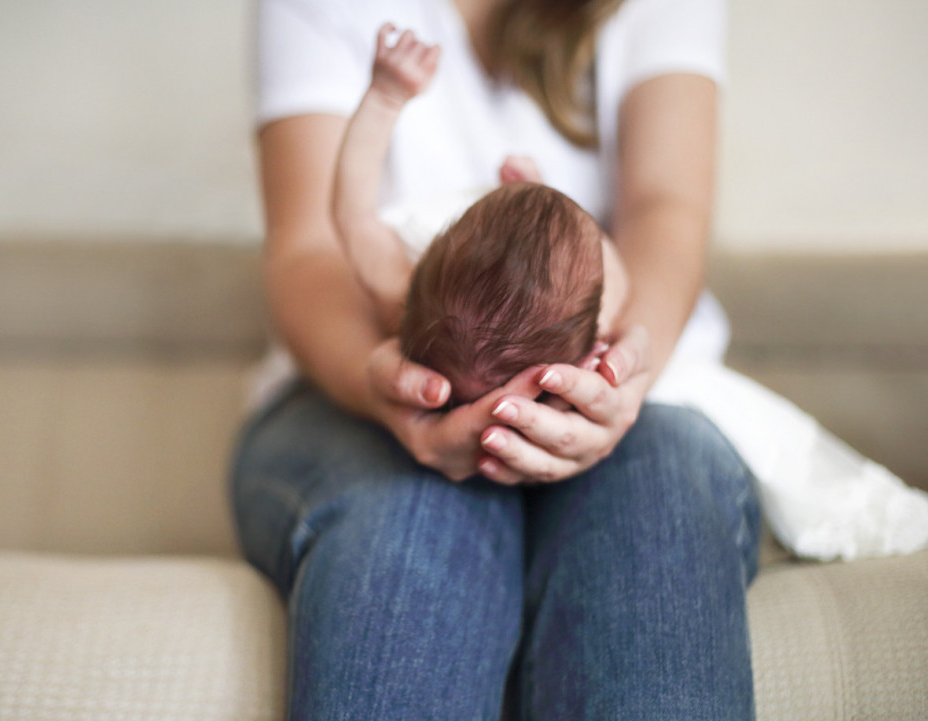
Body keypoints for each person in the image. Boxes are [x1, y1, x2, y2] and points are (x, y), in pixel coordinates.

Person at [231, 0, 761, 719]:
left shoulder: (403, 285)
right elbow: (311, 246)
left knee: (654, 490)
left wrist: (627, 376)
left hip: (646, 391)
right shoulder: (396, 297)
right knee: (414, 508)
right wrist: (378, 381)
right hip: (348, 386)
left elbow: (663, 208)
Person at [333, 24, 630, 404]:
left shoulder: (398, 295)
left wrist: (385, 98)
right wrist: (542, 192)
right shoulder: (583, 356)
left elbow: (352, 212)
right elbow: (615, 282)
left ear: (430, 254)